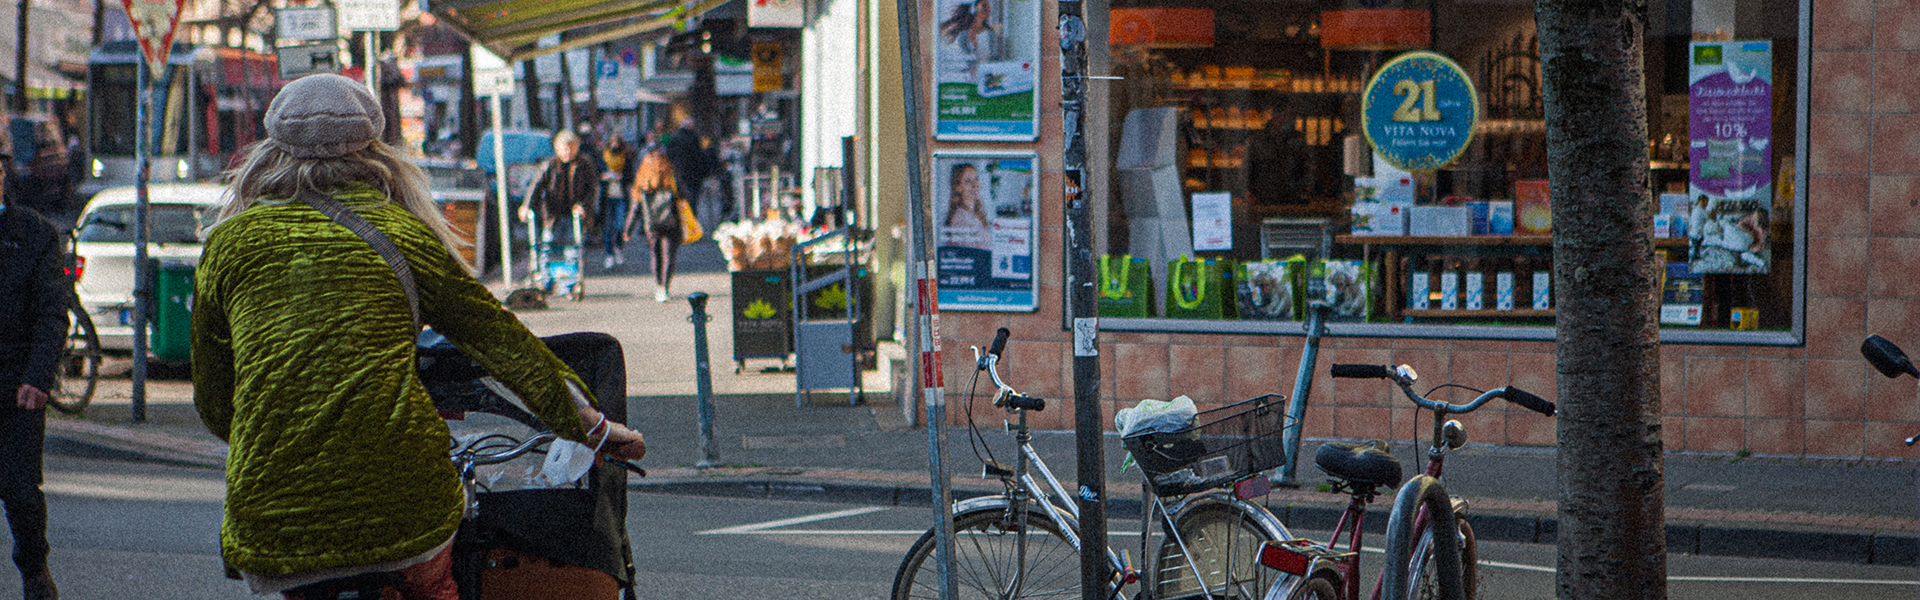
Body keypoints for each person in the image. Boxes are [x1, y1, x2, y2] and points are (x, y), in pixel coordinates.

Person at [191, 74, 646, 600]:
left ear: (269, 150)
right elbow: (504, 345)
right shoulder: (404, 234)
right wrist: (592, 426)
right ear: (374, 150)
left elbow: (215, 402)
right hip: (400, 503)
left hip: (272, 517)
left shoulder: (228, 245)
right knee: (432, 581)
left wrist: (287, 439)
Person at [0, 153, 65, 600]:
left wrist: (39, 377)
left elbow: (51, 313)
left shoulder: (36, 233)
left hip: (16, 382)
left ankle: (34, 568)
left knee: (20, 491)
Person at [524, 130, 603, 263]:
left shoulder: (584, 165)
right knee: (547, 248)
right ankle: (546, 279)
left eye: (571, 148)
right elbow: (536, 186)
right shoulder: (549, 165)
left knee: (572, 251)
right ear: (557, 149)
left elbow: (592, 188)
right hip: (553, 214)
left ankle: (570, 281)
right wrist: (527, 206)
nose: (568, 152)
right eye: (565, 148)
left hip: (574, 215)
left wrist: (583, 206)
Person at [627, 139, 682, 302]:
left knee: (655, 255)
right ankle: (665, 286)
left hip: (651, 225)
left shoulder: (643, 185)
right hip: (671, 223)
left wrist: (628, 230)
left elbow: (635, 209)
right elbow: (685, 195)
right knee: (668, 256)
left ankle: (659, 286)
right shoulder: (671, 181)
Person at [1245, 103, 1309, 205]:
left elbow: (1306, 168)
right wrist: (1248, 193)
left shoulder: (1298, 139)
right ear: (1276, 115)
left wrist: (1305, 190)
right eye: (1287, 116)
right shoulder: (1257, 141)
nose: (1291, 120)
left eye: (1292, 116)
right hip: (1263, 200)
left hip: (1292, 201)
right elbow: (1246, 171)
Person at [599, 135, 636, 270]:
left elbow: (630, 177)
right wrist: (604, 177)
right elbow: (597, 174)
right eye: (612, 143)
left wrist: (622, 177)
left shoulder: (626, 159)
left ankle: (619, 248)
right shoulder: (603, 158)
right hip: (607, 197)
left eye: (617, 143)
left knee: (620, 226)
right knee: (608, 227)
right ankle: (609, 254)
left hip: (621, 196)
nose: (615, 146)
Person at [941, 163, 992, 250]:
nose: (975, 185)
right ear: (958, 187)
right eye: (968, 181)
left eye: (976, 179)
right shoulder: (960, 218)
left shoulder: (975, 214)